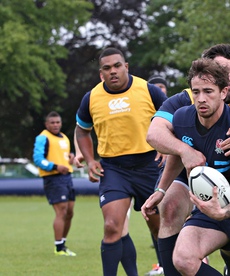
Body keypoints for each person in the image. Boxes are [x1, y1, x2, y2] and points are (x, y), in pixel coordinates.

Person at [145, 57, 230, 275]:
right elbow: (175, 155)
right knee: (183, 258)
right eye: (196, 91)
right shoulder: (182, 118)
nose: (201, 99)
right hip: (209, 206)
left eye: (208, 91)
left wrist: (223, 211)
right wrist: (161, 190)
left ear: (223, 92)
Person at [75, 47, 168, 276]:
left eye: (117, 66)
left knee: (160, 229)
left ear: (126, 67)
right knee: (112, 226)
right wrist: (89, 160)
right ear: (101, 73)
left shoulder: (148, 90)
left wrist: (169, 147)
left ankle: (170, 270)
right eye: (107, 68)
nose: (113, 71)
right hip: (114, 169)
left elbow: (175, 118)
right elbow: (82, 131)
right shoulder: (92, 98)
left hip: (150, 167)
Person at [33, 111, 77, 257]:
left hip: (67, 177)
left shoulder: (64, 137)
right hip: (53, 178)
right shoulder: (43, 137)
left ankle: (63, 243)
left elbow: (63, 156)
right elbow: (38, 159)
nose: (55, 125)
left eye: (58, 122)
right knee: (62, 211)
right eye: (52, 122)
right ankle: (58, 247)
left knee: (70, 212)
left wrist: (70, 158)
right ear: (47, 124)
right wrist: (55, 166)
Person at [144, 74, 168, 276]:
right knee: (153, 215)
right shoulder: (142, 112)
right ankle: (163, 262)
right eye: (156, 88)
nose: (160, 91)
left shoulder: (176, 109)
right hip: (149, 169)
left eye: (162, 87)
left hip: (173, 171)